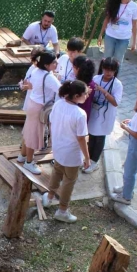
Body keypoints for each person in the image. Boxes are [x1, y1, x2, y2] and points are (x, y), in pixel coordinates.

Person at [41, 81, 91, 223]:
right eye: (85, 93)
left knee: (57, 171)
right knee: (69, 181)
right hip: (71, 154)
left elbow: (51, 123)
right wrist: (87, 158)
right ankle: (62, 210)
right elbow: (81, 138)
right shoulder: (80, 114)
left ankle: (49, 197)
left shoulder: (58, 104)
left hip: (58, 148)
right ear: (76, 96)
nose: (87, 95)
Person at [19, 50, 60, 174]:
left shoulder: (36, 71)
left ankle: (22, 156)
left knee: (28, 132)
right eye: (54, 62)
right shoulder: (49, 77)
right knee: (33, 136)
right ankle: (29, 162)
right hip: (40, 108)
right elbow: (61, 90)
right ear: (47, 65)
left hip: (32, 103)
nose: (57, 64)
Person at [85, 57, 123, 174]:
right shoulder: (96, 78)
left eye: (111, 70)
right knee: (91, 137)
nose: (108, 73)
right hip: (94, 113)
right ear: (102, 68)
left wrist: (103, 91)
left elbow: (115, 102)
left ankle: (94, 161)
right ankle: (88, 160)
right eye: (106, 70)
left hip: (105, 116)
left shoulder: (117, 84)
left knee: (100, 138)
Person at [97, 0, 137, 64]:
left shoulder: (134, 6)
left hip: (124, 38)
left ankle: (115, 76)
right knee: (107, 58)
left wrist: (134, 42)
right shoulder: (113, 3)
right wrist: (100, 35)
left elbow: (135, 25)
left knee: (118, 61)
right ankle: (104, 75)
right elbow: (106, 19)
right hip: (110, 35)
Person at [72, 55, 97, 121]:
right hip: (85, 113)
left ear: (78, 69)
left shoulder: (79, 86)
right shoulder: (92, 83)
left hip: (75, 116)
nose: (72, 69)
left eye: (74, 67)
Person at [20, 45, 45, 110]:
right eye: (32, 59)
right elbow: (27, 79)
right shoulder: (32, 67)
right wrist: (23, 84)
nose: (34, 62)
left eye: (35, 60)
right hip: (29, 99)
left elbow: (45, 87)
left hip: (38, 103)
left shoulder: (45, 71)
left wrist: (30, 87)